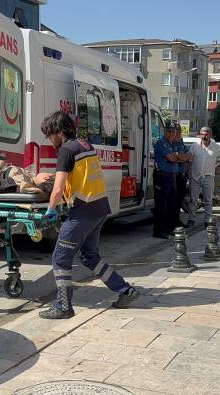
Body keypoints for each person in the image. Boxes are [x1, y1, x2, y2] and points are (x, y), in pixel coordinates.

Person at [38, 111, 138, 319]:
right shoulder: (85, 145)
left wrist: (51, 209)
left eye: (49, 135)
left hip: (82, 213)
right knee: (90, 256)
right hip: (100, 208)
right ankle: (126, 290)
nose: (49, 139)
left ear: (58, 131)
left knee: (60, 259)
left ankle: (63, 306)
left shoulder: (66, 151)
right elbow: (80, 176)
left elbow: (57, 189)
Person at [187, 126, 220, 228]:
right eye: (202, 134)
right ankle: (191, 219)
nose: (204, 136)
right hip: (195, 176)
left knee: (208, 200)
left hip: (208, 177)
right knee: (193, 200)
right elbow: (189, 159)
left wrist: (219, 167)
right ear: (199, 135)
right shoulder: (194, 146)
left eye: (206, 134)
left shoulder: (215, 147)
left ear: (210, 135)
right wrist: (188, 171)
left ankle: (208, 220)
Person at [152, 123, 182, 239]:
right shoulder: (161, 142)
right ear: (165, 131)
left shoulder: (173, 143)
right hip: (162, 176)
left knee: (171, 204)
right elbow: (171, 158)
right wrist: (177, 157)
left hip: (172, 176)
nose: (171, 133)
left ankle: (168, 228)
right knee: (161, 205)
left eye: (173, 131)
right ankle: (158, 230)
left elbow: (186, 157)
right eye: (169, 131)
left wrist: (177, 157)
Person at [171, 124, 192, 228]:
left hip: (183, 175)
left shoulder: (181, 143)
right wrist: (184, 158)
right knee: (173, 200)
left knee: (179, 200)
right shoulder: (172, 143)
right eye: (176, 132)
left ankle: (176, 220)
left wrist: (185, 158)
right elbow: (175, 158)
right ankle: (172, 222)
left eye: (179, 132)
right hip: (175, 175)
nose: (178, 134)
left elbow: (189, 157)